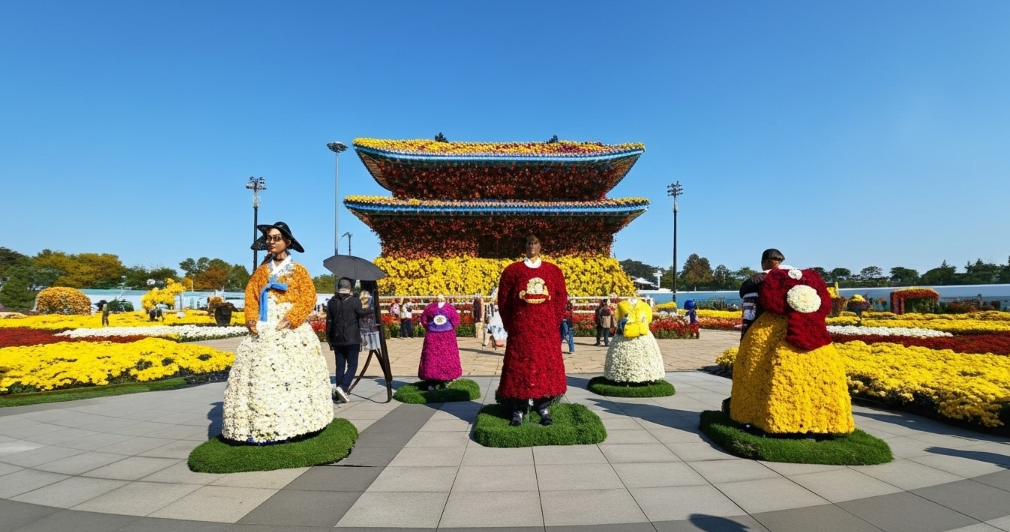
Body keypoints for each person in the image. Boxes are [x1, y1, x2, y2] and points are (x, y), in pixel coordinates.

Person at [222, 221, 332, 443]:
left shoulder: (299, 271)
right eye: (269, 239)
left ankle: (299, 421)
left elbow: (308, 297)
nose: (271, 242)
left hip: (289, 327)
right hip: (263, 327)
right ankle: (259, 423)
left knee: (294, 374)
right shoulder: (261, 272)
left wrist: (291, 318)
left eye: (276, 238)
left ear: (287, 242)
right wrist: (251, 319)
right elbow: (251, 295)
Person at [728, 265, 854, 435]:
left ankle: (764, 417)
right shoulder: (768, 316)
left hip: (781, 332)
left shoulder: (764, 288)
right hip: (779, 331)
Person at [497, 235, 568, 426]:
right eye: (528, 243)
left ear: (540, 245)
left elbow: (561, 298)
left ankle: (543, 406)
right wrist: (510, 324)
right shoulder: (513, 271)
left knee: (544, 367)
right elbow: (503, 300)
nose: (532, 246)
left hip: (545, 332)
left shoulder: (553, 271)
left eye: (535, 242)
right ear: (524, 246)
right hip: (521, 330)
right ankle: (518, 408)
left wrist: (553, 322)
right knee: (519, 368)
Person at [327, 278, 371, 402]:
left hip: (337, 339)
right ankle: (342, 387)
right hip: (352, 338)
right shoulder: (354, 301)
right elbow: (360, 314)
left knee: (339, 366)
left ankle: (339, 392)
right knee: (352, 365)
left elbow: (329, 322)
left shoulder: (332, 302)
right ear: (350, 288)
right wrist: (372, 309)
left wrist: (329, 339)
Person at [604, 293, 665, 383]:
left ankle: (646, 377)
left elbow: (648, 319)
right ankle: (620, 376)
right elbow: (618, 318)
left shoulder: (645, 306)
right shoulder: (621, 305)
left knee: (644, 357)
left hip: (642, 335)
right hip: (624, 336)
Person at [739, 249, 793, 339]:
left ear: (766, 262)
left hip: (762, 322)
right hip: (786, 324)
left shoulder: (757, 279)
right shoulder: (794, 275)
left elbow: (745, 294)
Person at [418, 294, 463, 389]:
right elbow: (456, 320)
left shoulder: (431, 307)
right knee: (440, 356)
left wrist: (429, 326)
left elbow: (424, 319)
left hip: (439, 334)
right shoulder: (448, 307)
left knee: (438, 356)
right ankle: (435, 380)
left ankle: (440, 380)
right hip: (443, 335)